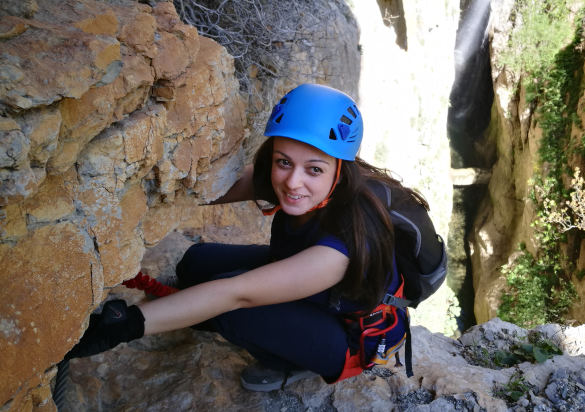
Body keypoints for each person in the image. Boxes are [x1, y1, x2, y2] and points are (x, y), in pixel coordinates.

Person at [66, 83, 430, 391]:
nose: (292, 182)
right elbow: (206, 192)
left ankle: (290, 361)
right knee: (196, 262)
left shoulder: (339, 252)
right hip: (316, 289)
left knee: (231, 310)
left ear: (339, 172)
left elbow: (235, 294)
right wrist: (137, 197)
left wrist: (124, 326)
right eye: (283, 161)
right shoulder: (305, 183)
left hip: (346, 335)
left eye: (313, 169)